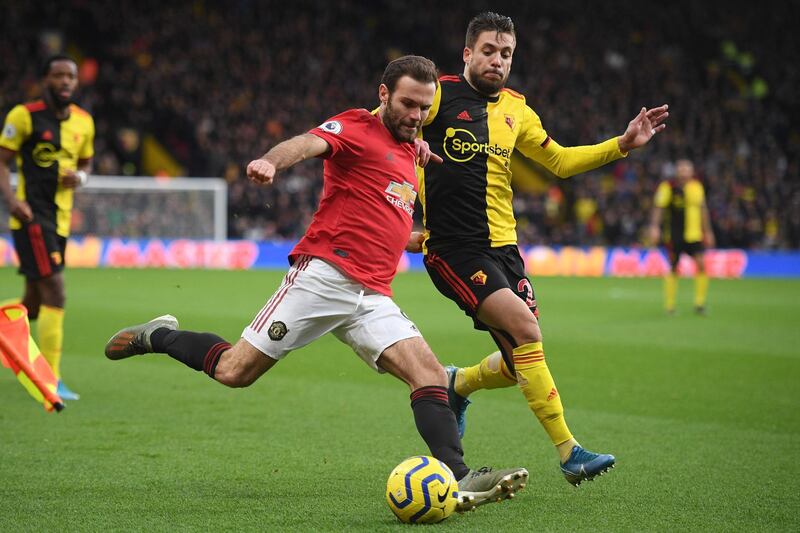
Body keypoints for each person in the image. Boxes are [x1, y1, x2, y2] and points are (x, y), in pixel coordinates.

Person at [104, 55, 527, 510]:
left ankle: (459, 477)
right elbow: (306, 144)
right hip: (323, 278)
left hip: (372, 294)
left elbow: (385, 214)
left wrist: (416, 238)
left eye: (424, 108)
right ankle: (159, 335)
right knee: (234, 372)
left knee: (427, 374)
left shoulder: (411, 149)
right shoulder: (356, 127)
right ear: (383, 94)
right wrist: (270, 161)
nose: (416, 116)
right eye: (407, 103)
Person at [413, 12, 669, 486]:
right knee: (526, 328)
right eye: (488, 51)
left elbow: (559, 160)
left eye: (506, 53)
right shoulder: (437, 96)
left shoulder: (517, 110)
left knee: (519, 362)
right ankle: (570, 452)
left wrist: (624, 144)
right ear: (468, 54)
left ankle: (457, 383)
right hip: (454, 249)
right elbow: (384, 127)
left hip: (506, 251)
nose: (498, 60)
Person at [0, 55, 95, 401]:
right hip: (30, 217)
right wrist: (12, 202)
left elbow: (87, 162)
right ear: (45, 80)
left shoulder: (84, 122)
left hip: (61, 220)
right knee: (56, 291)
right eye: (58, 75)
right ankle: (50, 380)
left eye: (70, 76)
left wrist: (81, 176)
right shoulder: (24, 116)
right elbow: (2, 160)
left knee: (34, 304)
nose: (66, 81)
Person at [648, 159, 715, 314]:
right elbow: (658, 208)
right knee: (673, 267)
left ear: (691, 172)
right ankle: (670, 306)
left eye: (687, 169)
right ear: (676, 171)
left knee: (701, 265)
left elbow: (703, 210)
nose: (684, 172)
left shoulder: (697, 187)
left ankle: (700, 303)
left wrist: (708, 231)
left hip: (694, 234)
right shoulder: (667, 187)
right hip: (673, 235)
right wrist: (654, 227)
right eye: (681, 169)